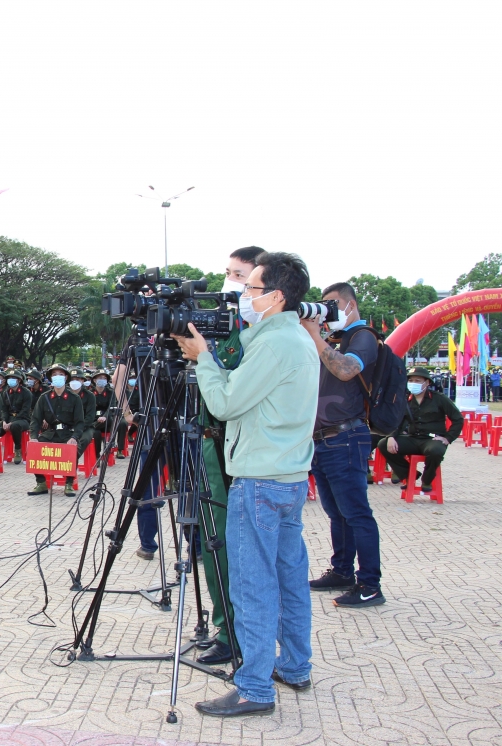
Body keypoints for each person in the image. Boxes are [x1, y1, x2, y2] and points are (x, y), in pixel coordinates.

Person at [173, 251, 318, 717]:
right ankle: (294, 665)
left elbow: (227, 403)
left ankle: (254, 687)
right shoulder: (292, 336)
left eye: (251, 288)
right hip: (289, 477)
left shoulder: (274, 343)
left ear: (275, 296)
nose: (243, 297)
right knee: (290, 577)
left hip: (259, 480)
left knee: (253, 584)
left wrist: (203, 362)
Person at [192, 245, 264, 666]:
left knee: (227, 542)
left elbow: (231, 395)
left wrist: (205, 359)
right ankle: (225, 624)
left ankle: (237, 632)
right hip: (206, 441)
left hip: (231, 445)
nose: (230, 283)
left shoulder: (254, 334)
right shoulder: (221, 326)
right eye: (229, 273)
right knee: (207, 540)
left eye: (240, 276)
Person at [302, 281, 385, 609]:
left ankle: (370, 584)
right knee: (336, 512)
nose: (327, 312)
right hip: (324, 439)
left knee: (356, 513)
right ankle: (341, 571)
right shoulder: (334, 339)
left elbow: (347, 370)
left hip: (346, 435)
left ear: (350, 305)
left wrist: (315, 335)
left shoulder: (363, 337)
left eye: (333, 306)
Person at [381, 366, 463, 492]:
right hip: (413, 438)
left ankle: (427, 479)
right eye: (411, 380)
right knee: (383, 444)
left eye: (418, 381)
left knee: (435, 451)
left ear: (427, 382)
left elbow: (458, 419)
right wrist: (391, 436)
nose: (413, 383)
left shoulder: (439, 399)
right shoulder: (405, 400)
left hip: (432, 439)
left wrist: (448, 438)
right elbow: (397, 421)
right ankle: (409, 474)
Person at [27, 362, 84, 498]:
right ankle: (41, 483)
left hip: (68, 433)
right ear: (51, 378)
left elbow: (80, 423)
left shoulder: (74, 399)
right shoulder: (44, 397)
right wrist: (33, 436)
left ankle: (69, 483)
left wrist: (74, 438)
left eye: (61, 375)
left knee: (73, 450)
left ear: (66, 378)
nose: (57, 377)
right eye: (54, 375)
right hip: (51, 433)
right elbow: (36, 419)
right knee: (34, 448)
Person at [0, 366, 33, 465]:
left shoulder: (26, 393)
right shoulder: (5, 393)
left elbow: (25, 411)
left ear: (18, 380)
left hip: (23, 419)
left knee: (15, 426)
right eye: (9, 378)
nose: (11, 380)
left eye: (13, 378)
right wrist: (4, 421)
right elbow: (4, 410)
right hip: (9, 418)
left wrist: (11, 422)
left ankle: (18, 449)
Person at [69, 368, 97, 466]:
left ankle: (71, 462)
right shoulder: (65, 394)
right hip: (68, 426)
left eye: (78, 379)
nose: (74, 382)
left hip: (85, 427)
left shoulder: (90, 396)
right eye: (72, 379)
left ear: (82, 381)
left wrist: (78, 429)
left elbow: (90, 417)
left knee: (83, 440)